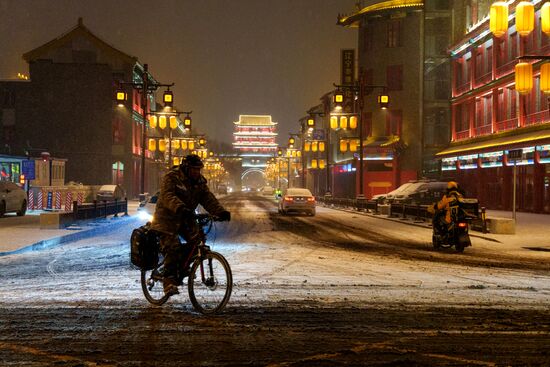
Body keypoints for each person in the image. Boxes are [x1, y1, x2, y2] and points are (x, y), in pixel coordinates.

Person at [151, 154, 230, 296]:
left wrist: (220, 212)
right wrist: (180, 207)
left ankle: (181, 267)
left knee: (197, 241)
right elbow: (168, 196)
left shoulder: (199, 182)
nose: (196, 172)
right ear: (186, 168)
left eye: (198, 169)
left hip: (186, 217)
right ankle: (168, 281)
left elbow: (208, 198)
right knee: (173, 247)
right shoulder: (172, 177)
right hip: (166, 218)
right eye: (194, 169)